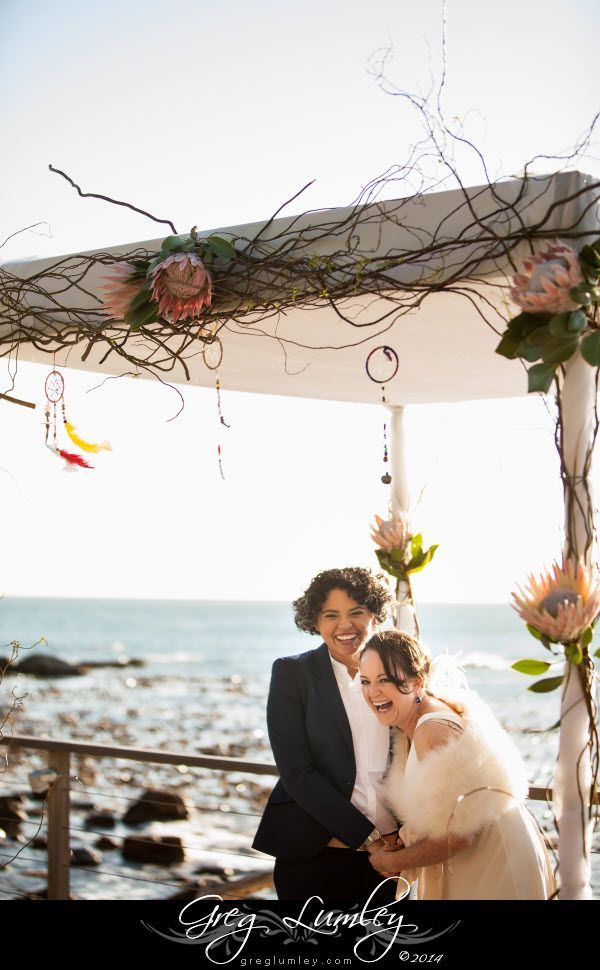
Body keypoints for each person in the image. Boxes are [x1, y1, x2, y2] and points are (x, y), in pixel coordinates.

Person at [359, 630, 556, 900]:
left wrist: (392, 863)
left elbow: (457, 835)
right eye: (365, 681)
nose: (372, 692)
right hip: (476, 859)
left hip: (492, 863)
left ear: (416, 683)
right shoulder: (411, 726)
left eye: (384, 680)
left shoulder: (432, 729)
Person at [252, 567, 399, 902]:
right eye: (330, 615)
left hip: (392, 856)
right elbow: (296, 772)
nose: (344, 625)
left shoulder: (400, 674)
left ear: (375, 615)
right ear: (314, 622)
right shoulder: (292, 673)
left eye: (356, 612)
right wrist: (368, 837)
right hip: (315, 855)